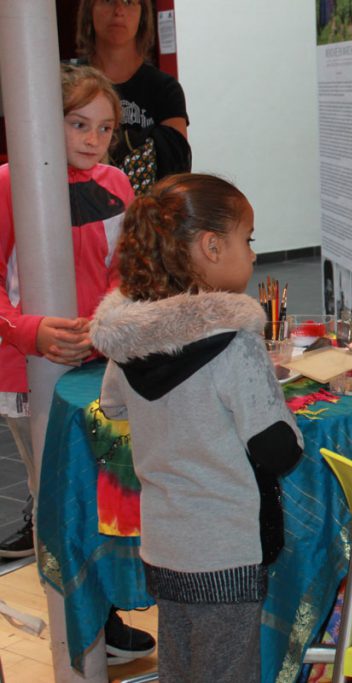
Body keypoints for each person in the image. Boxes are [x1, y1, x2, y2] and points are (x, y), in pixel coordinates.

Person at [90, 173, 303, 682]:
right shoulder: (236, 344)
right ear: (211, 246)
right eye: (247, 240)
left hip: (164, 543)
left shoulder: (131, 339)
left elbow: (112, 405)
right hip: (226, 550)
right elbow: (278, 450)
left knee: (180, 667)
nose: (253, 254)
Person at [0, 64, 156, 664]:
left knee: (106, 492)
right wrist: (29, 331)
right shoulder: (10, 183)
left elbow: (131, 267)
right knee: (56, 498)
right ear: (43, 120)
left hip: (102, 366)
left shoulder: (117, 183)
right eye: (77, 123)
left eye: (105, 127)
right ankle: (74, 624)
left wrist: (112, 319)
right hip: (30, 372)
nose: (93, 139)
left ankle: (104, 614)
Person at [76, 0, 191, 193]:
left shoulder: (165, 88)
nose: (119, 10)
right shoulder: (68, 80)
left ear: (143, 16)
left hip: (143, 211)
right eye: (108, 1)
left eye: (129, 2)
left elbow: (176, 166)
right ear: (89, 10)